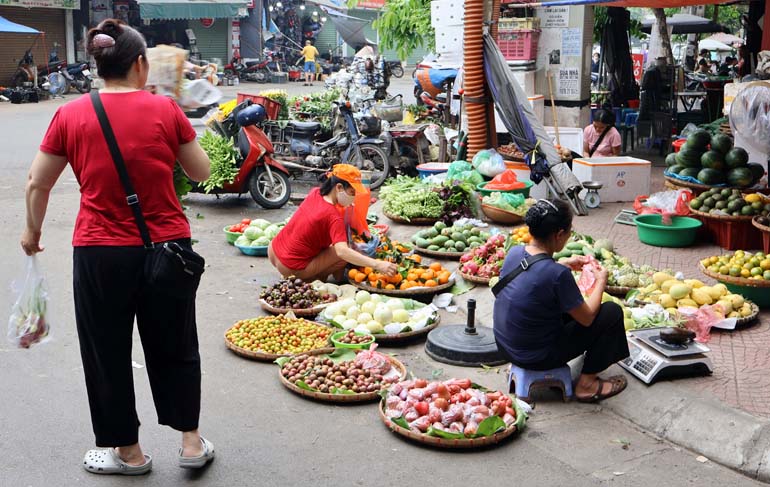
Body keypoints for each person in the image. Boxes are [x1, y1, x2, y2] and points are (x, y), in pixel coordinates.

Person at [20, 19, 214, 476]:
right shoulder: (165, 111)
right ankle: (190, 442)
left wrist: (32, 234)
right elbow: (203, 171)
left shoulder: (70, 114)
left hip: (99, 252)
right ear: (141, 64)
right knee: (176, 343)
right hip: (167, 248)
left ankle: (129, 453)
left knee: (105, 350)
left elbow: (36, 183)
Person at [493, 199, 629, 403]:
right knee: (610, 312)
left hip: (505, 346)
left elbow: (534, 276)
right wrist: (601, 281)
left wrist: (561, 263)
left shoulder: (515, 253)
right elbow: (587, 319)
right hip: (537, 356)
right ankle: (587, 385)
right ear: (558, 235)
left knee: (559, 305)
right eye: (568, 232)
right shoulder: (557, 275)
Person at [268, 164, 398, 282]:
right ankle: (315, 279)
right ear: (339, 187)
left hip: (274, 251)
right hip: (291, 267)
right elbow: (342, 252)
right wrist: (377, 264)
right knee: (345, 252)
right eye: (352, 193)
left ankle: (303, 274)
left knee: (331, 245)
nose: (353, 197)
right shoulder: (333, 217)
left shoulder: (315, 193)